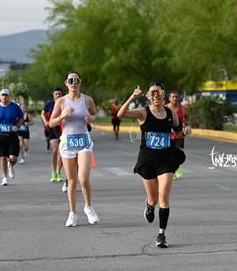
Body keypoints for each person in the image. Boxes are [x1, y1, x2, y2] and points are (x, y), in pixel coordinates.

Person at [117, 83, 190, 248]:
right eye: (152, 92)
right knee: (154, 198)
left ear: (163, 95)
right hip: (148, 159)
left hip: (166, 157)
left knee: (163, 195)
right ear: (149, 96)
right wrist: (132, 97)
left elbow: (178, 132)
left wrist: (184, 132)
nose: (156, 95)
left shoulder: (171, 113)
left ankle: (161, 234)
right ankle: (149, 206)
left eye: (159, 92)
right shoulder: (143, 112)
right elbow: (120, 114)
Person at [49, 71, 99, 227]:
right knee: (72, 180)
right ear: (66, 83)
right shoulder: (61, 102)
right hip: (67, 143)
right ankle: (72, 213)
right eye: (71, 80)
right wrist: (62, 116)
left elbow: (95, 114)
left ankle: (89, 207)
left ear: (80, 82)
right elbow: (51, 123)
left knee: (83, 178)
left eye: (76, 80)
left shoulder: (87, 100)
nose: (73, 82)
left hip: (84, 141)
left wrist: (92, 118)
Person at [0, 88, 24, 186]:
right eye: (2, 95)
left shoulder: (14, 107)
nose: (4, 97)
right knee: (2, 157)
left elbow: (22, 118)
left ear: (9, 96)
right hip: (0, 136)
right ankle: (4, 178)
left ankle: (11, 165)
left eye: (6, 95)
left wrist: (18, 126)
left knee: (13, 158)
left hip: (12, 136)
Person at [165, 90, 190, 179]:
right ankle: (172, 171)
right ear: (169, 98)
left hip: (179, 134)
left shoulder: (182, 108)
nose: (175, 98)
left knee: (178, 152)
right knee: (169, 153)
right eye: (173, 97)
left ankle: (176, 168)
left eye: (176, 96)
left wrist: (185, 125)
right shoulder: (165, 108)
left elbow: (186, 116)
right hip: (168, 134)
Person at [41, 87, 64, 183]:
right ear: (53, 95)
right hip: (52, 128)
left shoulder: (65, 103)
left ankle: (58, 172)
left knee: (61, 151)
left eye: (60, 93)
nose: (58, 95)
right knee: (55, 150)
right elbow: (42, 113)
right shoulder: (49, 104)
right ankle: (53, 171)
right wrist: (46, 121)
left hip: (63, 128)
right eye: (56, 94)